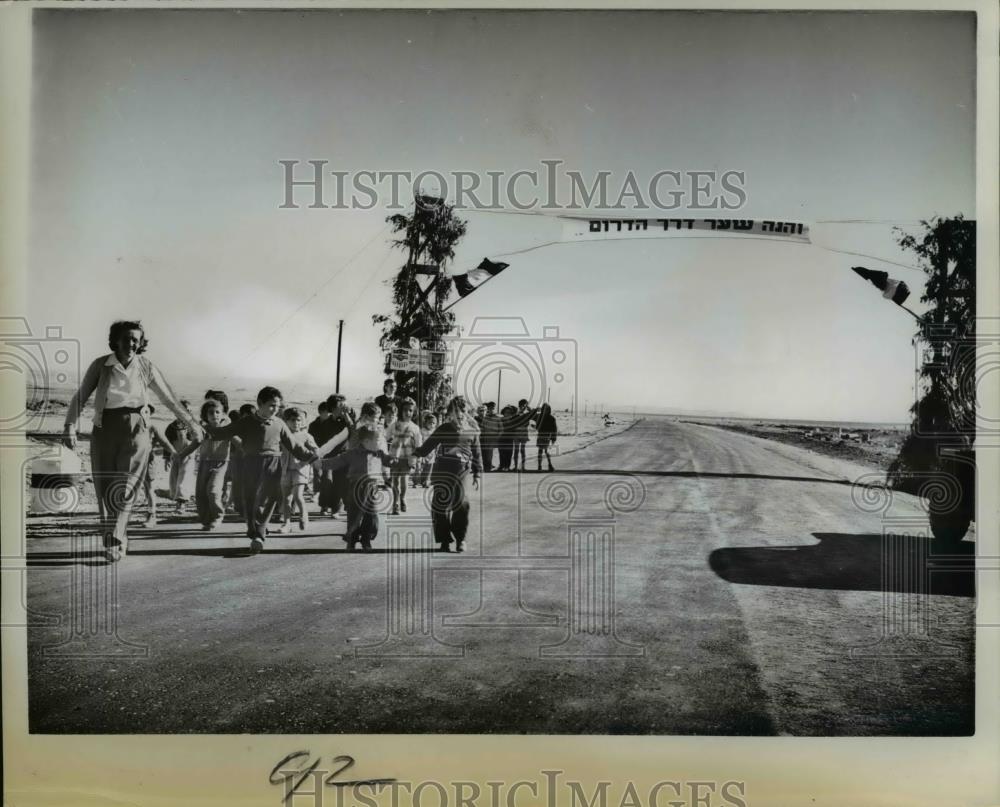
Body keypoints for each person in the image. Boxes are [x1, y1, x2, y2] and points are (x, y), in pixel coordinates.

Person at [63, 320, 203, 562]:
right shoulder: (101, 365)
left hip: (137, 427)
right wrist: (69, 425)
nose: (132, 344)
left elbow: (169, 399)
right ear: (116, 340)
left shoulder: (146, 367)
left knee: (127, 485)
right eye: (127, 338)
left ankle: (115, 538)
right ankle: (117, 535)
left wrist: (192, 424)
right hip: (104, 428)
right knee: (105, 487)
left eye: (136, 340)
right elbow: (81, 395)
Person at [204, 386, 342, 553]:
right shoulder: (246, 422)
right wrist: (202, 427)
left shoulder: (279, 423)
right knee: (250, 500)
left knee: (271, 498)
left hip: (273, 465)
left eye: (277, 406)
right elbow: (223, 432)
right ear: (260, 403)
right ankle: (253, 528)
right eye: (271, 405)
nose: (275, 409)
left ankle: (259, 533)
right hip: (250, 464)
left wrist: (313, 458)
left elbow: (295, 446)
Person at [412, 396, 482, 553]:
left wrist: (477, 474)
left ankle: (460, 539)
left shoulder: (472, 431)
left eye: (462, 411)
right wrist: (415, 455)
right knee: (440, 507)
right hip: (442, 473)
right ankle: (444, 540)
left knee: (462, 505)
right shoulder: (443, 428)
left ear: (467, 412)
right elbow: (427, 446)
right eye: (455, 411)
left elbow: (477, 454)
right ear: (450, 412)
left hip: (461, 474)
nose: (459, 414)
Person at [323, 401, 391, 551]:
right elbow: (351, 441)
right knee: (354, 511)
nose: (377, 420)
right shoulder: (358, 429)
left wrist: (386, 474)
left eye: (379, 417)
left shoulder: (379, 433)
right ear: (366, 416)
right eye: (375, 417)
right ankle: (352, 539)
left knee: (371, 512)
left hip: (373, 478)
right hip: (355, 475)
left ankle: (366, 539)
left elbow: (384, 454)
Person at [177, 398, 232, 530]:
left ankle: (218, 516)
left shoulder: (227, 429)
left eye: (218, 412)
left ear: (223, 414)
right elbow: (194, 444)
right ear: (205, 416)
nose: (215, 415)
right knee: (201, 493)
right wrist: (180, 456)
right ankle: (207, 520)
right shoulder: (203, 430)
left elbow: (239, 443)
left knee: (213, 491)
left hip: (220, 464)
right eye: (211, 413)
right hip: (203, 464)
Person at [278, 407, 321, 533]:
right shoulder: (283, 435)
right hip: (285, 468)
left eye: (299, 420)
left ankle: (303, 516)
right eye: (292, 420)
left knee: (297, 495)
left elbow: (316, 451)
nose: (296, 423)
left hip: (300, 470)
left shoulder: (306, 436)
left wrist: (310, 458)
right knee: (286, 498)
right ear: (286, 421)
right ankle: (286, 523)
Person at [310, 395, 353, 517]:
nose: (344, 408)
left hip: (343, 456)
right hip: (328, 457)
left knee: (341, 483)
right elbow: (321, 440)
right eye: (341, 406)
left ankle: (336, 509)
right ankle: (324, 506)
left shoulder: (347, 421)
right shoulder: (326, 423)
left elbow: (354, 431)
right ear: (333, 408)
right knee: (326, 482)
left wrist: (346, 416)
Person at [136, 404, 176, 527]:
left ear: (150, 414)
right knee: (132, 488)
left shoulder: (152, 426)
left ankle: (151, 515)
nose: (143, 415)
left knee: (149, 489)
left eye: (146, 412)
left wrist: (174, 453)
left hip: (148, 460)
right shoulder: (131, 425)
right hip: (133, 461)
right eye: (140, 412)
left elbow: (164, 441)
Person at [386, 397, 422, 514]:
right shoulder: (394, 425)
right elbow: (386, 437)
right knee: (395, 481)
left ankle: (403, 497)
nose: (408, 413)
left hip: (408, 458)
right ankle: (395, 502)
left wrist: (418, 459)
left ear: (414, 412)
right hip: (394, 457)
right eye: (405, 410)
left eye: (410, 410)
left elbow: (418, 444)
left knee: (404, 480)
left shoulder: (415, 428)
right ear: (401, 410)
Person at [413, 411, 438, 488]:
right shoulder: (422, 431)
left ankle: (426, 481)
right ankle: (416, 481)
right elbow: (419, 441)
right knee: (419, 467)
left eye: (433, 423)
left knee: (429, 468)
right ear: (425, 422)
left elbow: (437, 442)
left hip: (431, 453)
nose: (431, 424)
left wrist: (436, 451)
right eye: (430, 422)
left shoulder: (435, 432)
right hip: (423, 452)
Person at [510, 399, 534, 471]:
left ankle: (523, 467)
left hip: (523, 434)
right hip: (516, 434)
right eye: (522, 406)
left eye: (524, 406)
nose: (523, 407)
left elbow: (533, 413)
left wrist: (529, 409)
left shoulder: (527, 414)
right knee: (516, 451)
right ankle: (516, 467)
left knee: (522, 451)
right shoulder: (516, 414)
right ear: (519, 406)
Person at [533, 402, 558, 472]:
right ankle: (540, 466)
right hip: (541, 435)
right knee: (541, 451)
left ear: (549, 410)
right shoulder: (540, 417)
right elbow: (534, 418)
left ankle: (549, 465)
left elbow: (554, 429)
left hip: (547, 436)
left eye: (546, 409)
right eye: (543, 409)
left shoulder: (551, 418)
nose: (545, 411)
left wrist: (553, 438)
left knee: (546, 451)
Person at [479, 401, 502, 472]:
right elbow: (482, 428)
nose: (492, 410)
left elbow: (501, 429)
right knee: (484, 453)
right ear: (488, 409)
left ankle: (488, 468)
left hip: (492, 438)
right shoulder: (485, 418)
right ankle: (486, 467)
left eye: (493, 408)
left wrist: (497, 437)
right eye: (490, 408)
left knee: (489, 453)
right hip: (484, 438)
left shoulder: (497, 418)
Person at [497, 405, 516, 471]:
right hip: (501, 438)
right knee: (501, 453)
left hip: (510, 439)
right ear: (503, 413)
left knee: (509, 453)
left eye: (509, 412)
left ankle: (507, 466)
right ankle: (501, 466)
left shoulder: (513, 420)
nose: (507, 414)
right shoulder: (500, 420)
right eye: (506, 412)